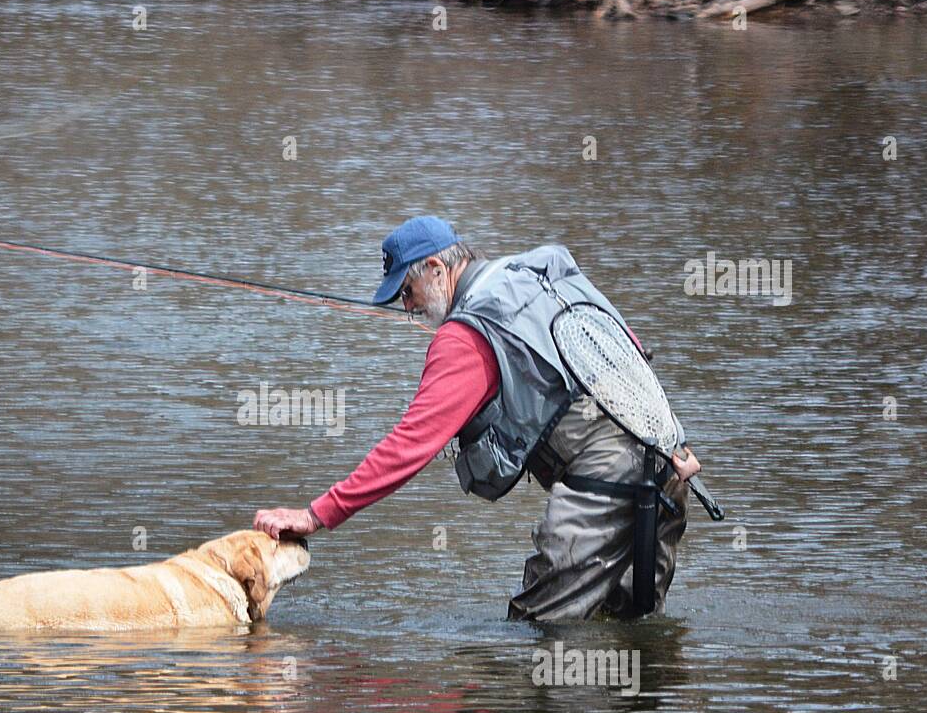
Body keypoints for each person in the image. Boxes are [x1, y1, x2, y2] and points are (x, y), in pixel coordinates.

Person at [252, 215, 702, 620]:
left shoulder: (465, 337)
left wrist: (317, 514)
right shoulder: (536, 274)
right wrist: (673, 444)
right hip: (667, 469)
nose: (407, 307)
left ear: (436, 268)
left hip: (605, 488)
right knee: (631, 629)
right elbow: (624, 345)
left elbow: (412, 443)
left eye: (406, 291)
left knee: (538, 637)